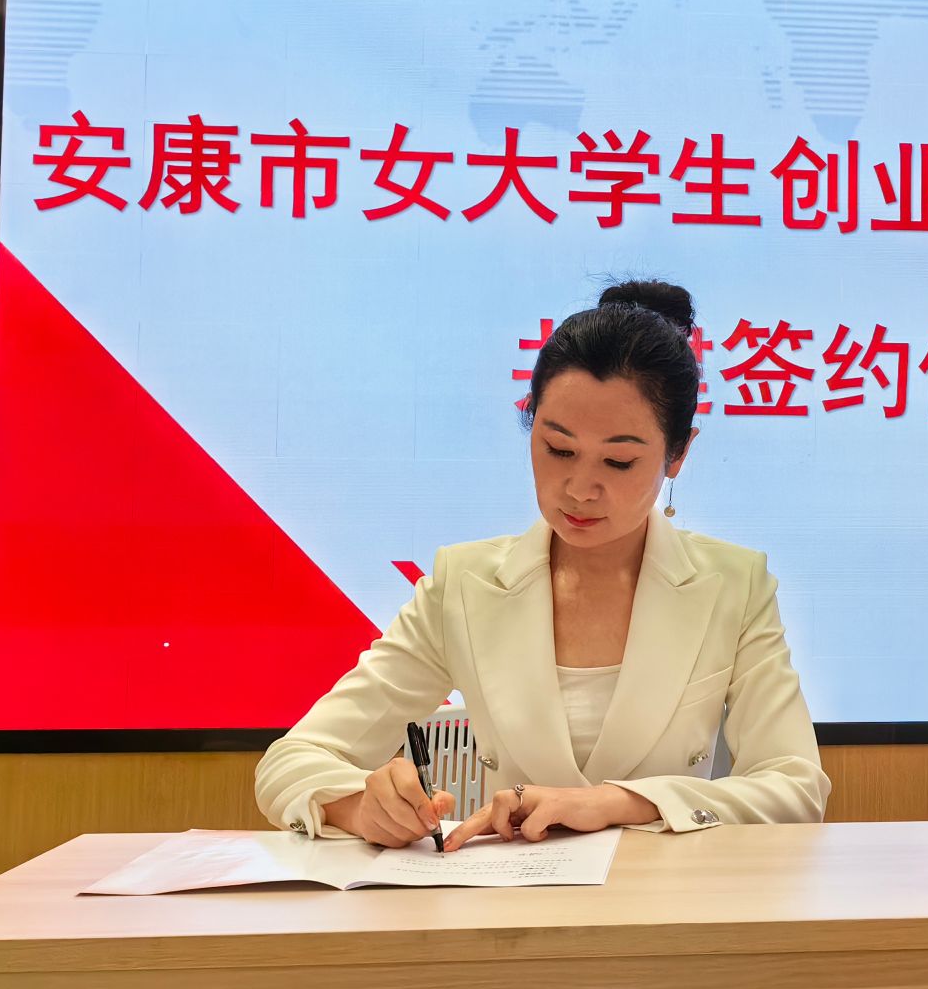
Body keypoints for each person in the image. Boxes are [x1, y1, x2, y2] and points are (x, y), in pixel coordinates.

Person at [256, 280, 828, 847]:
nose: (580, 488)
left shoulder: (734, 585)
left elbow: (796, 788)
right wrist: (359, 807)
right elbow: (291, 761)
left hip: (666, 895)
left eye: (619, 461)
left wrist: (614, 802)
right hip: (512, 898)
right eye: (558, 449)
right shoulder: (465, 584)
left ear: (678, 453)